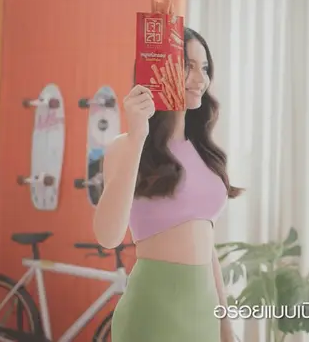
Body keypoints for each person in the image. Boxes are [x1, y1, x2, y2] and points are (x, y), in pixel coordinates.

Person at [93, 27, 241, 342]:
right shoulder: (127, 146)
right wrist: (138, 135)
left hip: (204, 316)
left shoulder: (204, 152)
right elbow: (108, 237)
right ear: (158, 71)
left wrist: (226, 326)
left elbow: (207, 246)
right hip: (152, 315)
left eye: (205, 68)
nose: (200, 79)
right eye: (188, 66)